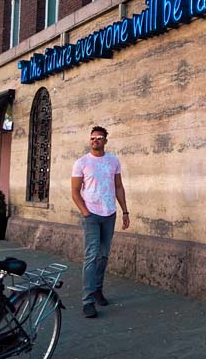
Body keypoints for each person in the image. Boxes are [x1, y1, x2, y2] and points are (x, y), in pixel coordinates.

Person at [71, 125, 129, 318]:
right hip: (92, 216)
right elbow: (75, 191)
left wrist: (125, 211)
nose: (95, 140)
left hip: (109, 214)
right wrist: (86, 212)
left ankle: (97, 290)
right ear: (90, 141)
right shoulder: (82, 163)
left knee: (103, 255)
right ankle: (87, 300)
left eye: (99, 137)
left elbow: (118, 187)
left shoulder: (113, 161)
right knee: (91, 256)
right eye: (93, 138)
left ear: (105, 140)